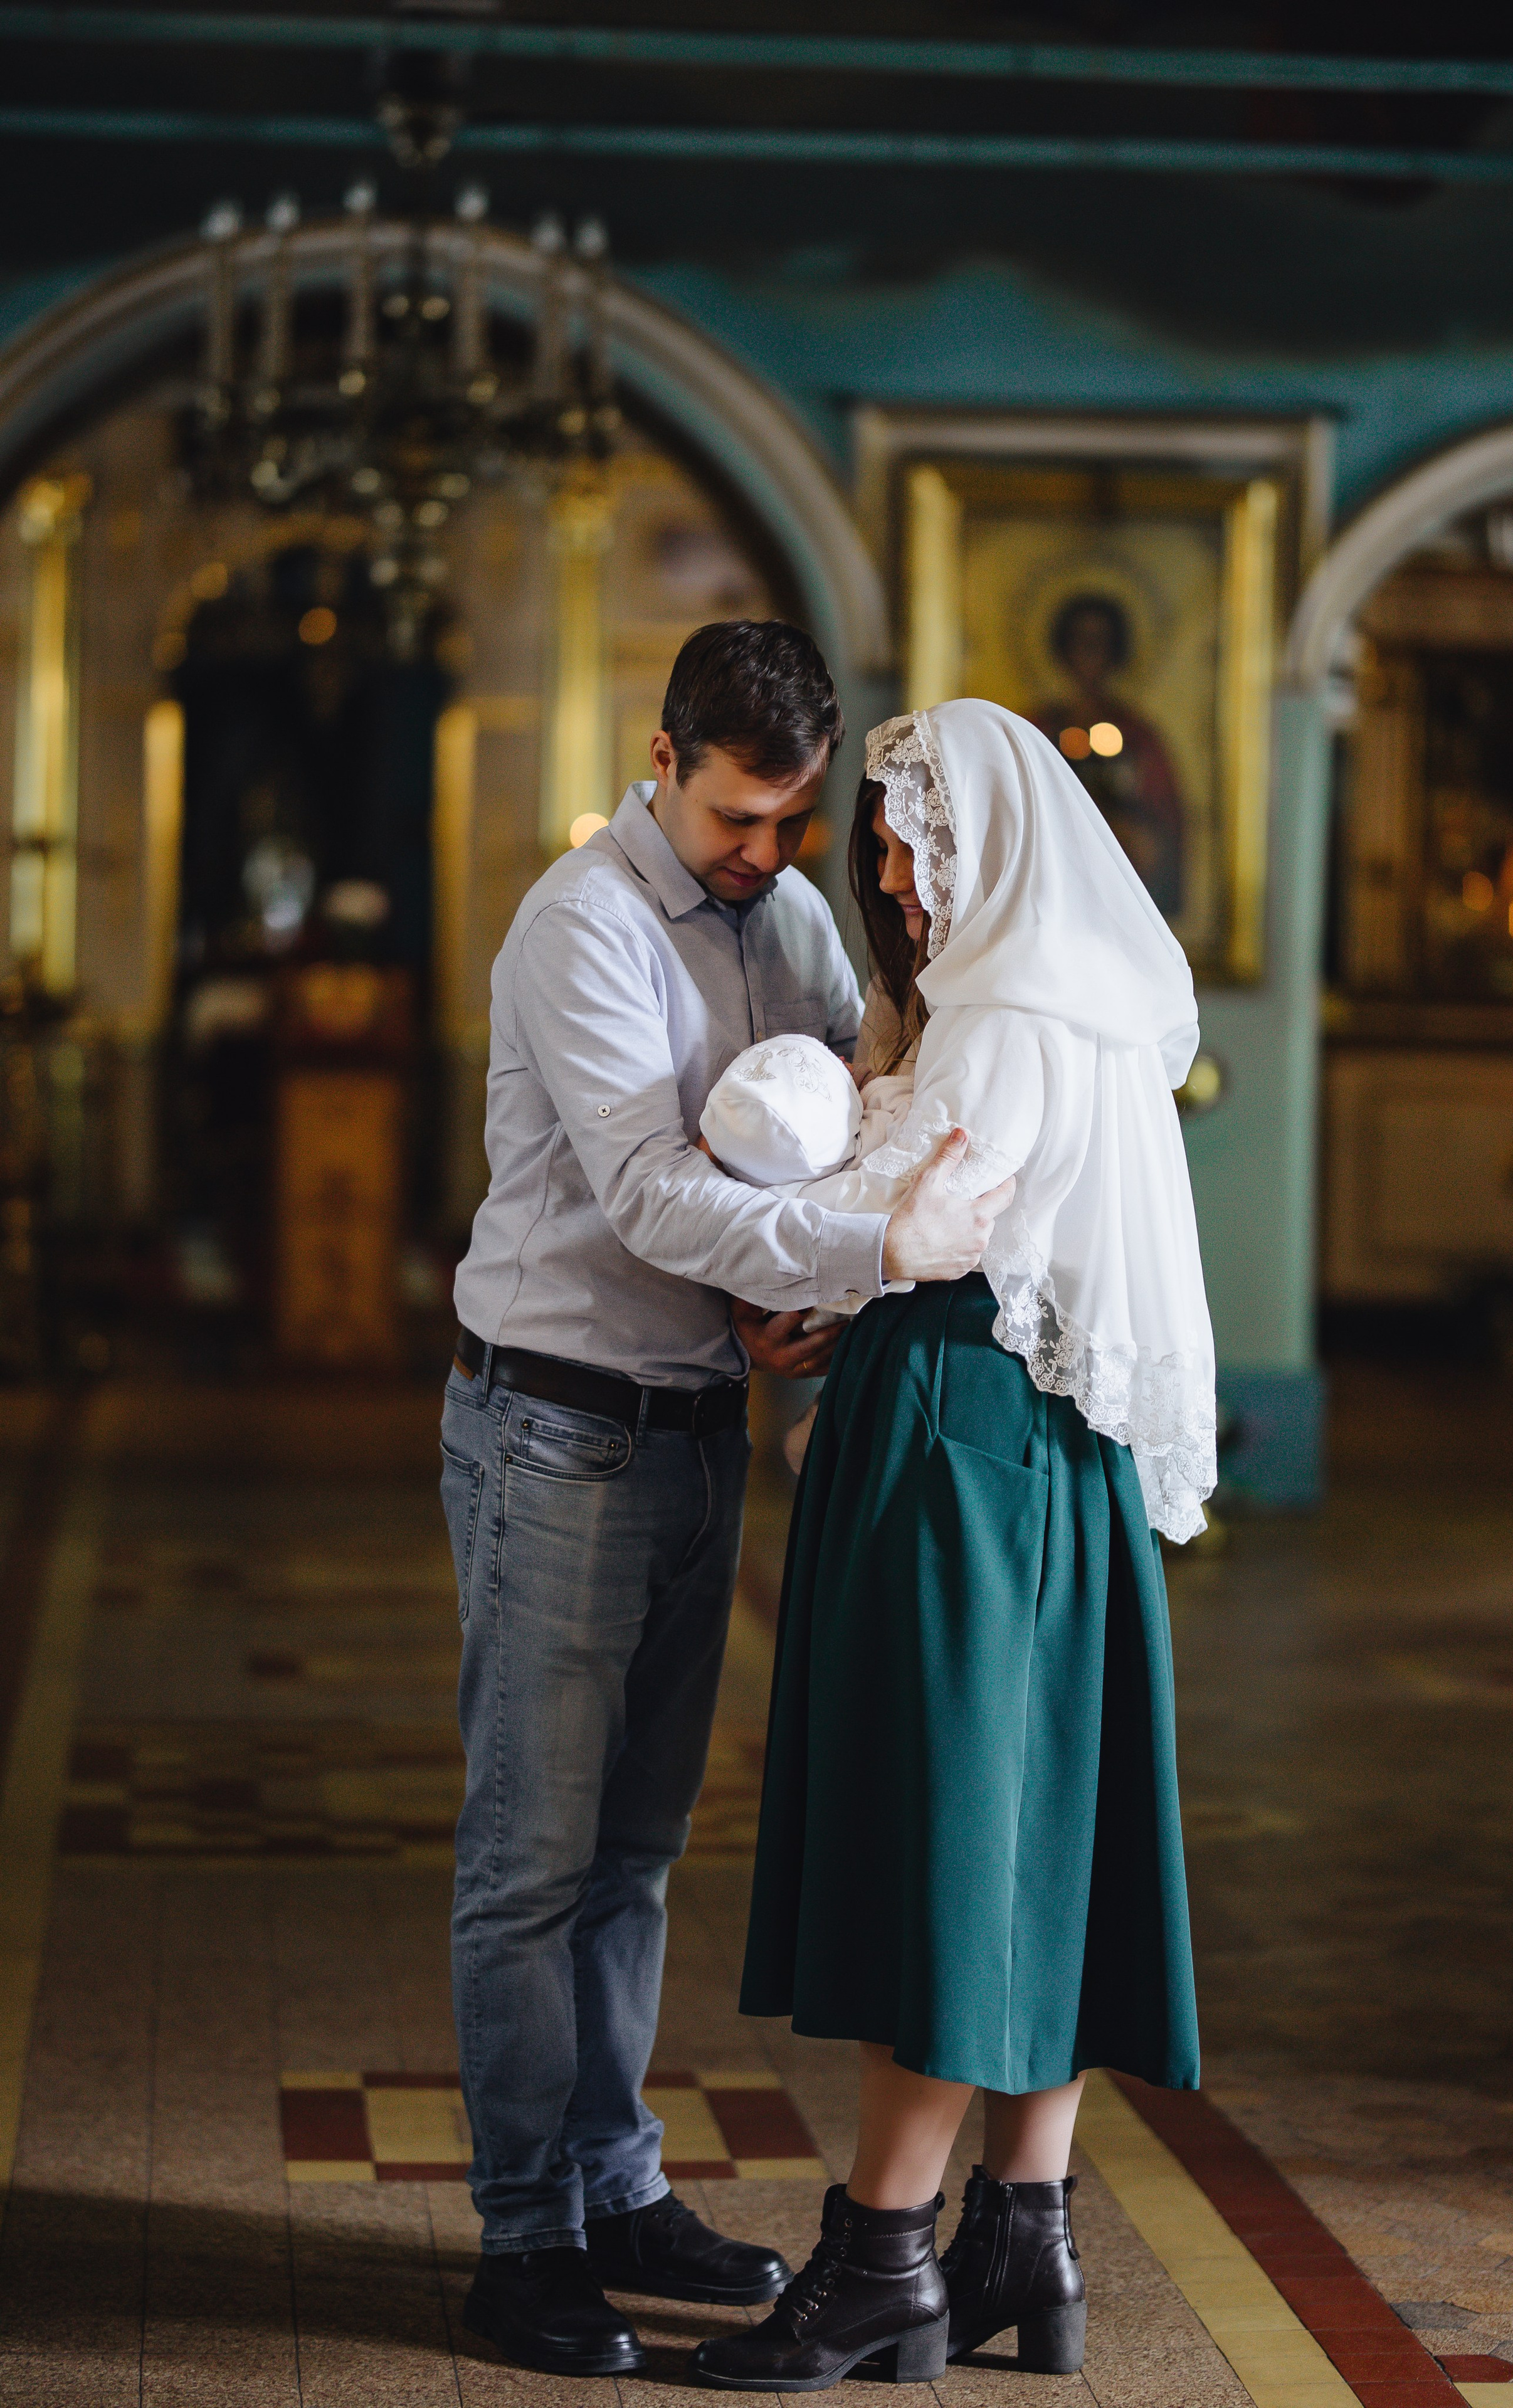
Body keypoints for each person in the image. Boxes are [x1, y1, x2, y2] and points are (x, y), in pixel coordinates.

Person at [441, 624, 1015, 2378]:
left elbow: (847, 1120)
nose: (766, 853)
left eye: (791, 820)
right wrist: (879, 1248)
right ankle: (525, 2238)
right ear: (664, 758)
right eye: (735, 817)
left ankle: (616, 2189)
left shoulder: (792, 924)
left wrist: (799, 1304)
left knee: (634, 1853)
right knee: (531, 1861)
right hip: (554, 1427)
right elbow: (649, 1195)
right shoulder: (583, 926)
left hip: (696, 1428)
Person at [688, 698, 1216, 2392]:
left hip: (954, 1445)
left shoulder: (992, 1022)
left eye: (920, 849)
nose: (902, 884)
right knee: (1034, 1834)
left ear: (994, 843)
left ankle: (879, 2259)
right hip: (1051, 1456)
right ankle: (1022, 2232)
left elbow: (881, 1224)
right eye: (889, 857)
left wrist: (798, 1220)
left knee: (942, 1840)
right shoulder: (1083, 1003)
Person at [1031, 591, 1186, 918]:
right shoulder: (1036, 730)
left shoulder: (1139, 737)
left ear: (1116, 651)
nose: (1089, 653)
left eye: (1099, 642)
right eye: (1080, 641)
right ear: (1064, 649)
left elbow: (1166, 830)